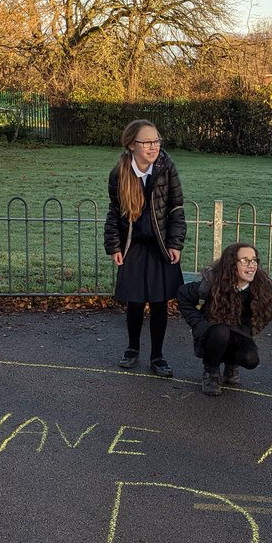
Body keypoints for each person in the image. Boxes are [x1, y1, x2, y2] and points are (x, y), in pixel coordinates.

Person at [104, 119, 186, 376]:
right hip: (134, 246)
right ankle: (132, 348)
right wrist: (114, 245)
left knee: (160, 303)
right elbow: (115, 212)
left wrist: (176, 242)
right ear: (131, 145)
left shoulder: (166, 167)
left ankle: (158, 356)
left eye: (157, 141)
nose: (154, 146)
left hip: (160, 245)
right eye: (147, 142)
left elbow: (176, 208)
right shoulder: (119, 173)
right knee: (135, 302)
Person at [177, 243, 272, 396]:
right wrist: (198, 324)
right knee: (221, 332)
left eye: (254, 260)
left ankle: (232, 363)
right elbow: (183, 294)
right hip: (214, 331)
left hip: (239, 333)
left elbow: (267, 313)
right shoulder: (213, 283)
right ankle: (211, 371)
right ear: (232, 265)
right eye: (244, 260)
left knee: (251, 360)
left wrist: (250, 330)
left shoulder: (261, 286)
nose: (251, 265)